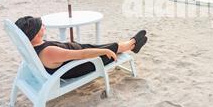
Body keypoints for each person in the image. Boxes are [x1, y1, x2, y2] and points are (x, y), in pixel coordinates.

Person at [15, 16, 148, 79]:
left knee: (108, 46)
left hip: (76, 52)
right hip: (83, 64)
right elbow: (83, 55)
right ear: (34, 34)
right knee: (111, 48)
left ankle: (132, 44)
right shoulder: (48, 52)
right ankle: (132, 44)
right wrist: (104, 51)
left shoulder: (33, 46)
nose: (43, 25)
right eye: (40, 25)